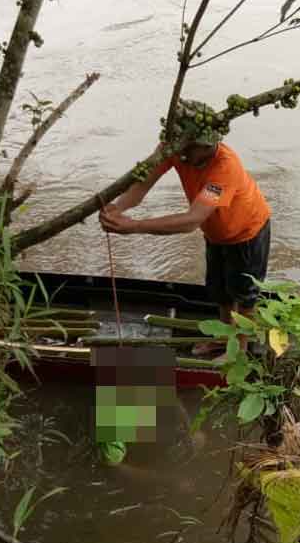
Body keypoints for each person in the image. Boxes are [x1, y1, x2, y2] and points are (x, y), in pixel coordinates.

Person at [99, 99, 271, 357]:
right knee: (220, 291)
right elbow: (142, 185)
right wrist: (118, 208)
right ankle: (225, 338)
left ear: (205, 145)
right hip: (216, 234)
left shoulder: (225, 167)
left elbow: (192, 219)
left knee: (245, 295)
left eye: (188, 148)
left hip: (247, 232)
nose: (181, 153)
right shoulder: (176, 150)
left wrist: (134, 226)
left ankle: (240, 352)